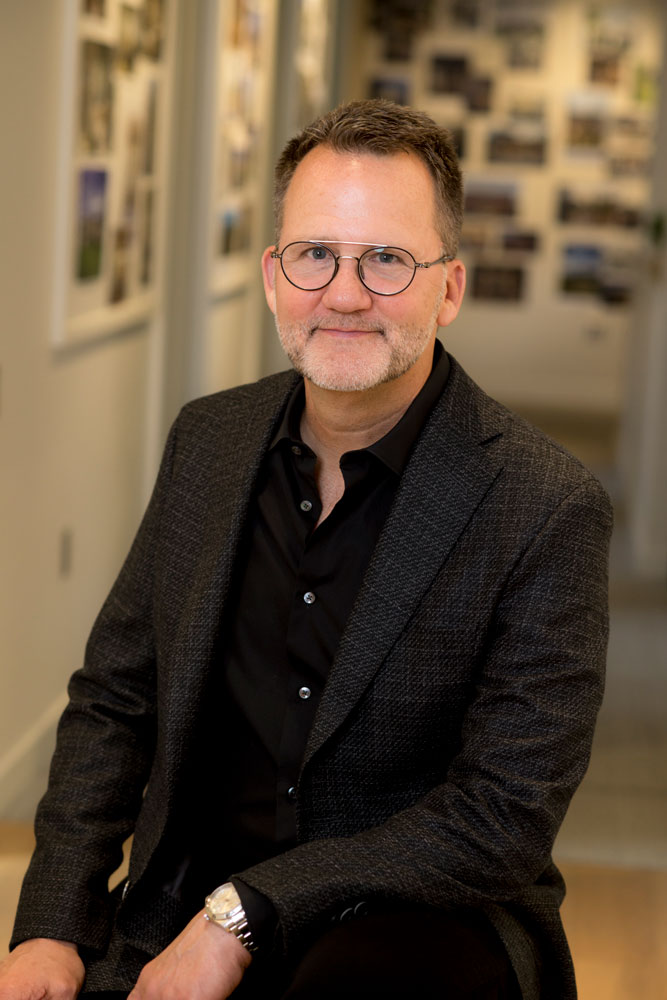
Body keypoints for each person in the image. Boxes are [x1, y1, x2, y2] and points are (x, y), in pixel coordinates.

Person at [1, 100, 612, 1000]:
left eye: (387, 259)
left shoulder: (544, 504)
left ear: (449, 288)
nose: (344, 293)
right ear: (272, 276)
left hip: (418, 923)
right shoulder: (209, 441)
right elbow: (116, 701)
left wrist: (246, 914)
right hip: (182, 904)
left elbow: (502, 813)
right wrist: (52, 925)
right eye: (314, 253)